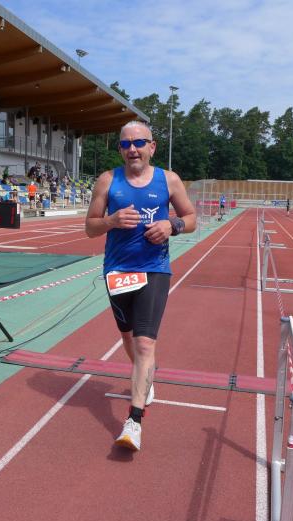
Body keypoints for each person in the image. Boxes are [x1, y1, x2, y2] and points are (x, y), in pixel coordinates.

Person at [85, 120, 196, 451]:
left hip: (154, 269)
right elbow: (90, 228)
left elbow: (191, 219)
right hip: (118, 271)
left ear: (152, 147)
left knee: (145, 343)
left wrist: (172, 225)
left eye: (138, 143)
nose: (132, 149)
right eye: (125, 144)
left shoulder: (169, 180)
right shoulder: (108, 180)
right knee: (128, 337)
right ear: (120, 149)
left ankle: (133, 421)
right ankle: (144, 376)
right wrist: (111, 221)